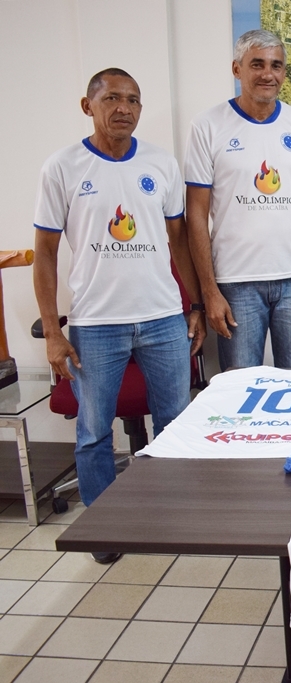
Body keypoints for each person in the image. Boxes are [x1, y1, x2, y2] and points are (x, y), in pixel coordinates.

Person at [33, 68, 206, 563]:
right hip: (95, 325)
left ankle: (174, 514)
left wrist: (192, 306)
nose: (123, 108)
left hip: (162, 321)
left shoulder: (160, 164)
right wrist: (52, 332)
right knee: (93, 431)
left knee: (174, 421)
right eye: (111, 98)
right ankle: (106, 526)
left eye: (132, 100)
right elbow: (43, 253)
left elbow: (177, 242)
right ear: (88, 106)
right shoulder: (62, 167)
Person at [185, 29, 291, 371]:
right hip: (235, 282)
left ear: (284, 73)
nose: (267, 74)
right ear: (237, 69)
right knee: (240, 389)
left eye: (276, 65)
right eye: (256, 64)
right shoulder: (207, 126)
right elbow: (196, 217)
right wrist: (208, 293)